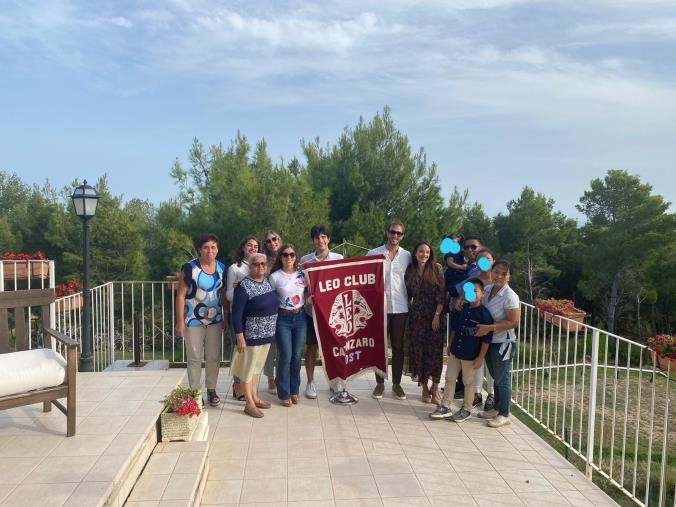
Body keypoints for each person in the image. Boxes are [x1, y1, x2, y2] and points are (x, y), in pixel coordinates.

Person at [430, 278, 494, 423]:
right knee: (450, 378)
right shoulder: (462, 309)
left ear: (482, 294)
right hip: (456, 351)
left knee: (468, 381)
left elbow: (487, 339)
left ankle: (466, 409)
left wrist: (480, 357)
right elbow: (455, 328)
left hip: (470, 355)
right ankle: (445, 406)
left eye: (475, 291)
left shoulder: (484, 314)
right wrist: (450, 345)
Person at [176, 233, 227, 407]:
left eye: (213, 247)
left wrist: (225, 317)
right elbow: (181, 296)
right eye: (206, 247)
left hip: (216, 320)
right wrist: (180, 322)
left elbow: (223, 295)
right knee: (194, 357)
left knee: (213, 356)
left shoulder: (222, 268)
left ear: (217, 249)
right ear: (200, 249)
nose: (209, 250)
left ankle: (211, 389)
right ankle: (195, 393)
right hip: (192, 320)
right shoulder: (190, 268)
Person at [367, 220, 412, 401]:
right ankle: (379, 383)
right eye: (393, 232)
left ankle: (396, 384)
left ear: (403, 236)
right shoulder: (374, 253)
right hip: (379, 308)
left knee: (398, 347)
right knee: (379, 348)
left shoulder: (407, 256)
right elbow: (364, 279)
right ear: (387, 232)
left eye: (399, 234)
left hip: (400, 308)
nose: (395, 236)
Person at [230, 253, 278, 418]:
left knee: (256, 369)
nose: (261, 267)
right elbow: (236, 314)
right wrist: (239, 336)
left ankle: (255, 397)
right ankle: (249, 403)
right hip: (251, 336)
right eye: (256, 264)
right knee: (247, 370)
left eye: (263, 264)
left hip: (266, 335)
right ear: (250, 266)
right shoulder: (243, 286)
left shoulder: (266, 282)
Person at [300, 224, 343, 399]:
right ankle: (310, 383)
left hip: (334, 312)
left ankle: (336, 381)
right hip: (312, 312)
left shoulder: (339, 258)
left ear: (329, 239)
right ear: (313, 240)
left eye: (324, 237)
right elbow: (301, 286)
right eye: (317, 238)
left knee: (335, 348)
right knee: (312, 348)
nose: (321, 240)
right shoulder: (305, 260)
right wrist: (307, 297)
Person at [476, 260, 521, 428]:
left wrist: (490, 327)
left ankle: (505, 413)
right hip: (489, 340)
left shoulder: (510, 296)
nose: (499, 276)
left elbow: (513, 322)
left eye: (504, 274)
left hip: (504, 341)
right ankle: (496, 408)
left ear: (509, 276)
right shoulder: (487, 290)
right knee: (495, 375)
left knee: (503, 378)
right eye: (496, 272)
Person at [402, 241, 446, 405]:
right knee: (419, 352)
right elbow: (405, 294)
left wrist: (437, 315)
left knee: (434, 354)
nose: (424, 255)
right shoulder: (410, 270)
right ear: (415, 253)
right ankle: (424, 388)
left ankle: (435, 388)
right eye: (421, 251)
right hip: (417, 318)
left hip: (435, 315)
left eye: (427, 252)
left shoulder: (437, 269)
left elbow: (442, 294)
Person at [269, 243, 307, 406]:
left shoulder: (302, 274)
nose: (289, 257)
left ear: (295, 256)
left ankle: (294, 390)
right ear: (281, 257)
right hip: (282, 319)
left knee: (297, 356)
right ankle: (283, 392)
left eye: (292, 254)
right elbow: (269, 300)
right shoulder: (275, 276)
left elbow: (309, 291)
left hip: (300, 317)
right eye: (285, 255)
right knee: (286, 355)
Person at [226, 236, 260, 401]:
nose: (252, 248)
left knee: (252, 351)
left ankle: (250, 386)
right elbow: (229, 295)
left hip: (255, 317)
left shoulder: (260, 267)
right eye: (249, 245)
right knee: (239, 349)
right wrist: (241, 291)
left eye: (255, 246)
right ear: (243, 248)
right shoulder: (235, 268)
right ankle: (237, 385)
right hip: (239, 314)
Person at [451, 235, 483, 400]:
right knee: (459, 346)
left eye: (473, 247)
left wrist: (460, 295)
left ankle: (471, 392)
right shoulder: (469, 265)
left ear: (480, 248)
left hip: (474, 313)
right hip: (463, 311)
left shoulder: (480, 265)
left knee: (468, 350)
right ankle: (460, 385)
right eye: (467, 247)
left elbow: (474, 282)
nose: (470, 250)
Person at [473, 248, 496, 410]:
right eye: (480, 260)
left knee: (491, 364)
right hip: (477, 327)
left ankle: (492, 395)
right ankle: (477, 394)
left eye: (487, 259)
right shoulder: (475, 280)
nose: (484, 263)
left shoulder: (498, 281)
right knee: (478, 361)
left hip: (495, 328)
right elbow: (466, 295)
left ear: (493, 261)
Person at [262, 230, 283, 395]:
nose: (272, 243)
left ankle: (281, 377)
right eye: (268, 241)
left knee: (283, 347)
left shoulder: (289, 256)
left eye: (274, 239)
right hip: (268, 310)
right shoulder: (263, 261)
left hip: (286, 310)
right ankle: (270, 378)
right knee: (269, 347)